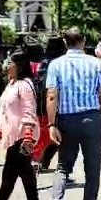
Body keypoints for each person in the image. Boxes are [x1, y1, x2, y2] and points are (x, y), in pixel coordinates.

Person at [46, 27, 101, 200]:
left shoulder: (56, 65)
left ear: (66, 43)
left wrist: (52, 124)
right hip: (91, 119)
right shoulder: (96, 63)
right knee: (93, 171)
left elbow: (51, 95)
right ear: (83, 42)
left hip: (67, 121)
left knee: (63, 166)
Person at [0, 51, 39, 200]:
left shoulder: (24, 86)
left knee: (8, 179)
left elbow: (28, 111)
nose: (7, 66)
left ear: (19, 66)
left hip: (22, 138)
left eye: (10, 63)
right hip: (12, 138)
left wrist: (28, 137)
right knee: (26, 178)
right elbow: (6, 113)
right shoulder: (10, 85)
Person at [33, 36, 66, 170]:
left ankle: (42, 161)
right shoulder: (60, 63)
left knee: (50, 133)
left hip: (41, 101)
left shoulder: (43, 62)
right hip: (56, 101)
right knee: (59, 134)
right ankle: (56, 165)